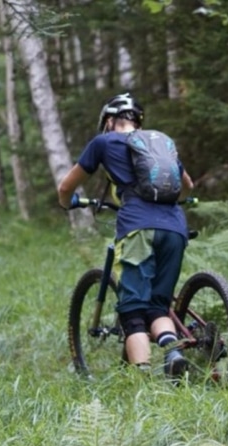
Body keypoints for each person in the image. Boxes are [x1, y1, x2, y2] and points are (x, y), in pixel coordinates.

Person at [57, 92, 195, 376]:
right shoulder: (160, 143)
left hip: (137, 228)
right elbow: (188, 186)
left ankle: (142, 380)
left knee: (133, 310)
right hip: (175, 227)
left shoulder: (103, 143)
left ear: (109, 120)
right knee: (158, 306)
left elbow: (65, 187)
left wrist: (66, 203)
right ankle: (172, 353)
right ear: (138, 123)